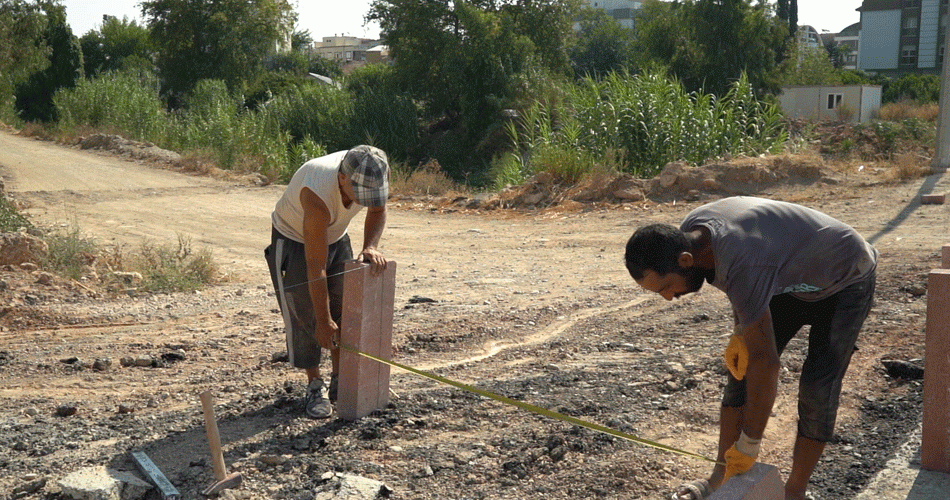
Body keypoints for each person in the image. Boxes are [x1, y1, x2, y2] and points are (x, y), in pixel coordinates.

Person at [624, 196, 877, 500]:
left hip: (846, 276)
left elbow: (766, 362)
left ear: (685, 261)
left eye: (666, 288)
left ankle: (795, 492)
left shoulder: (741, 257)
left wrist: (749, 444)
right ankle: (720, 477)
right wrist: (739, 331)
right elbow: (741, 284)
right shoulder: (691, 236)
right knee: (741, 371)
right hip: (786, 279)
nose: (667, 298)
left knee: (817, 388)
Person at [265, 145, 390, 419]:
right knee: (306, 313)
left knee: (343, 308)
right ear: (343, 179)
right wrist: (322, 321)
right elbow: (315, 265)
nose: (365, 201)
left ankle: (339, 377)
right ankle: (314, 384)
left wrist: (370, 246)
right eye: (361, 195)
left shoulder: (372, 170)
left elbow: (378, 211)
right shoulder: (317, 191)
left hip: (335, 235)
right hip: (295, 239)